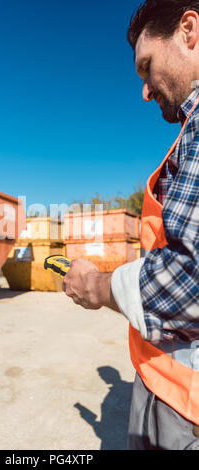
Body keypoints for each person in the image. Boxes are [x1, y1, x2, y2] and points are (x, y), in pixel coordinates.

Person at [62, 0, 199, 450]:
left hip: (184, 402)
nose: (144, 89)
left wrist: (98, 287)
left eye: (147, 66)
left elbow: (191, 274)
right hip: (164, 382)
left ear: (189, 31)